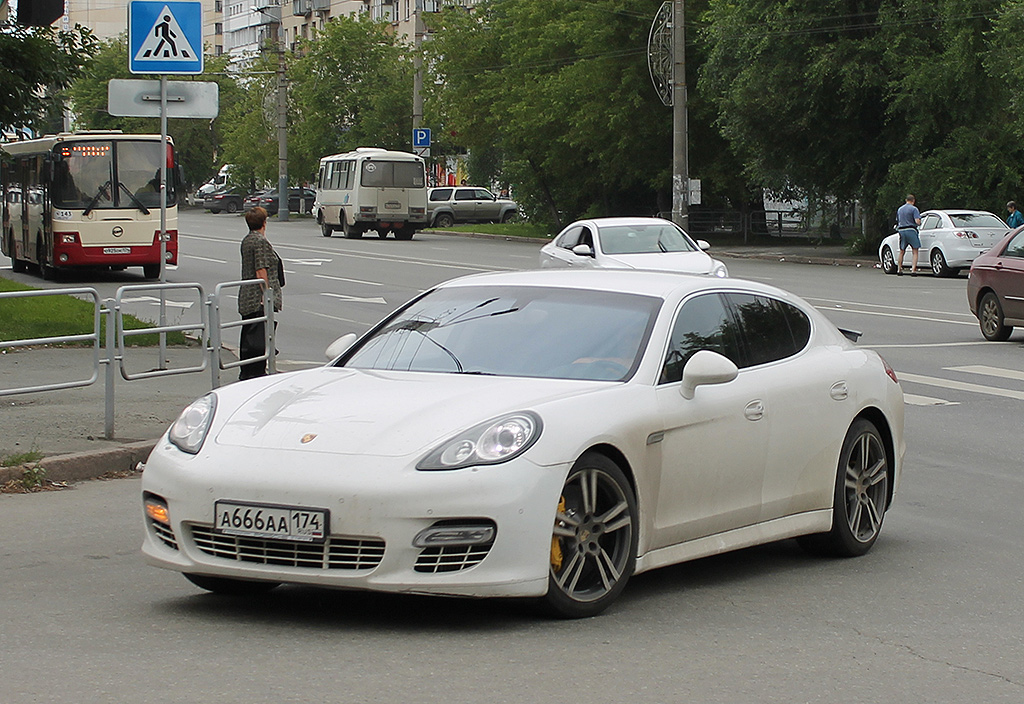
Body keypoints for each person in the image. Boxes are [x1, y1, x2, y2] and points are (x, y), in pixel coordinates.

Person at [238, 206, 283, 380]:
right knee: (259, 337)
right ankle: (256, 372)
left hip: (247, 295)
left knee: (249, 334)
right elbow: (261, 270)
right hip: (258, 297)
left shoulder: (247, 239)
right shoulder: (260, 241)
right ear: (264, 223)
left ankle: (247, 371)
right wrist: (267, 295)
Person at [896, 194, 922, 276]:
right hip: (911, 230)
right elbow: (917, 221)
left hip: (901, 230)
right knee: (915, 251)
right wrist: (919, 223)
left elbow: (898, 220)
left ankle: (899, 269)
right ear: (913, 201)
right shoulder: (914, 209)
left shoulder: (900, 209)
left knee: (902, 251)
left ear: (906, 200)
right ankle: (913, 270)